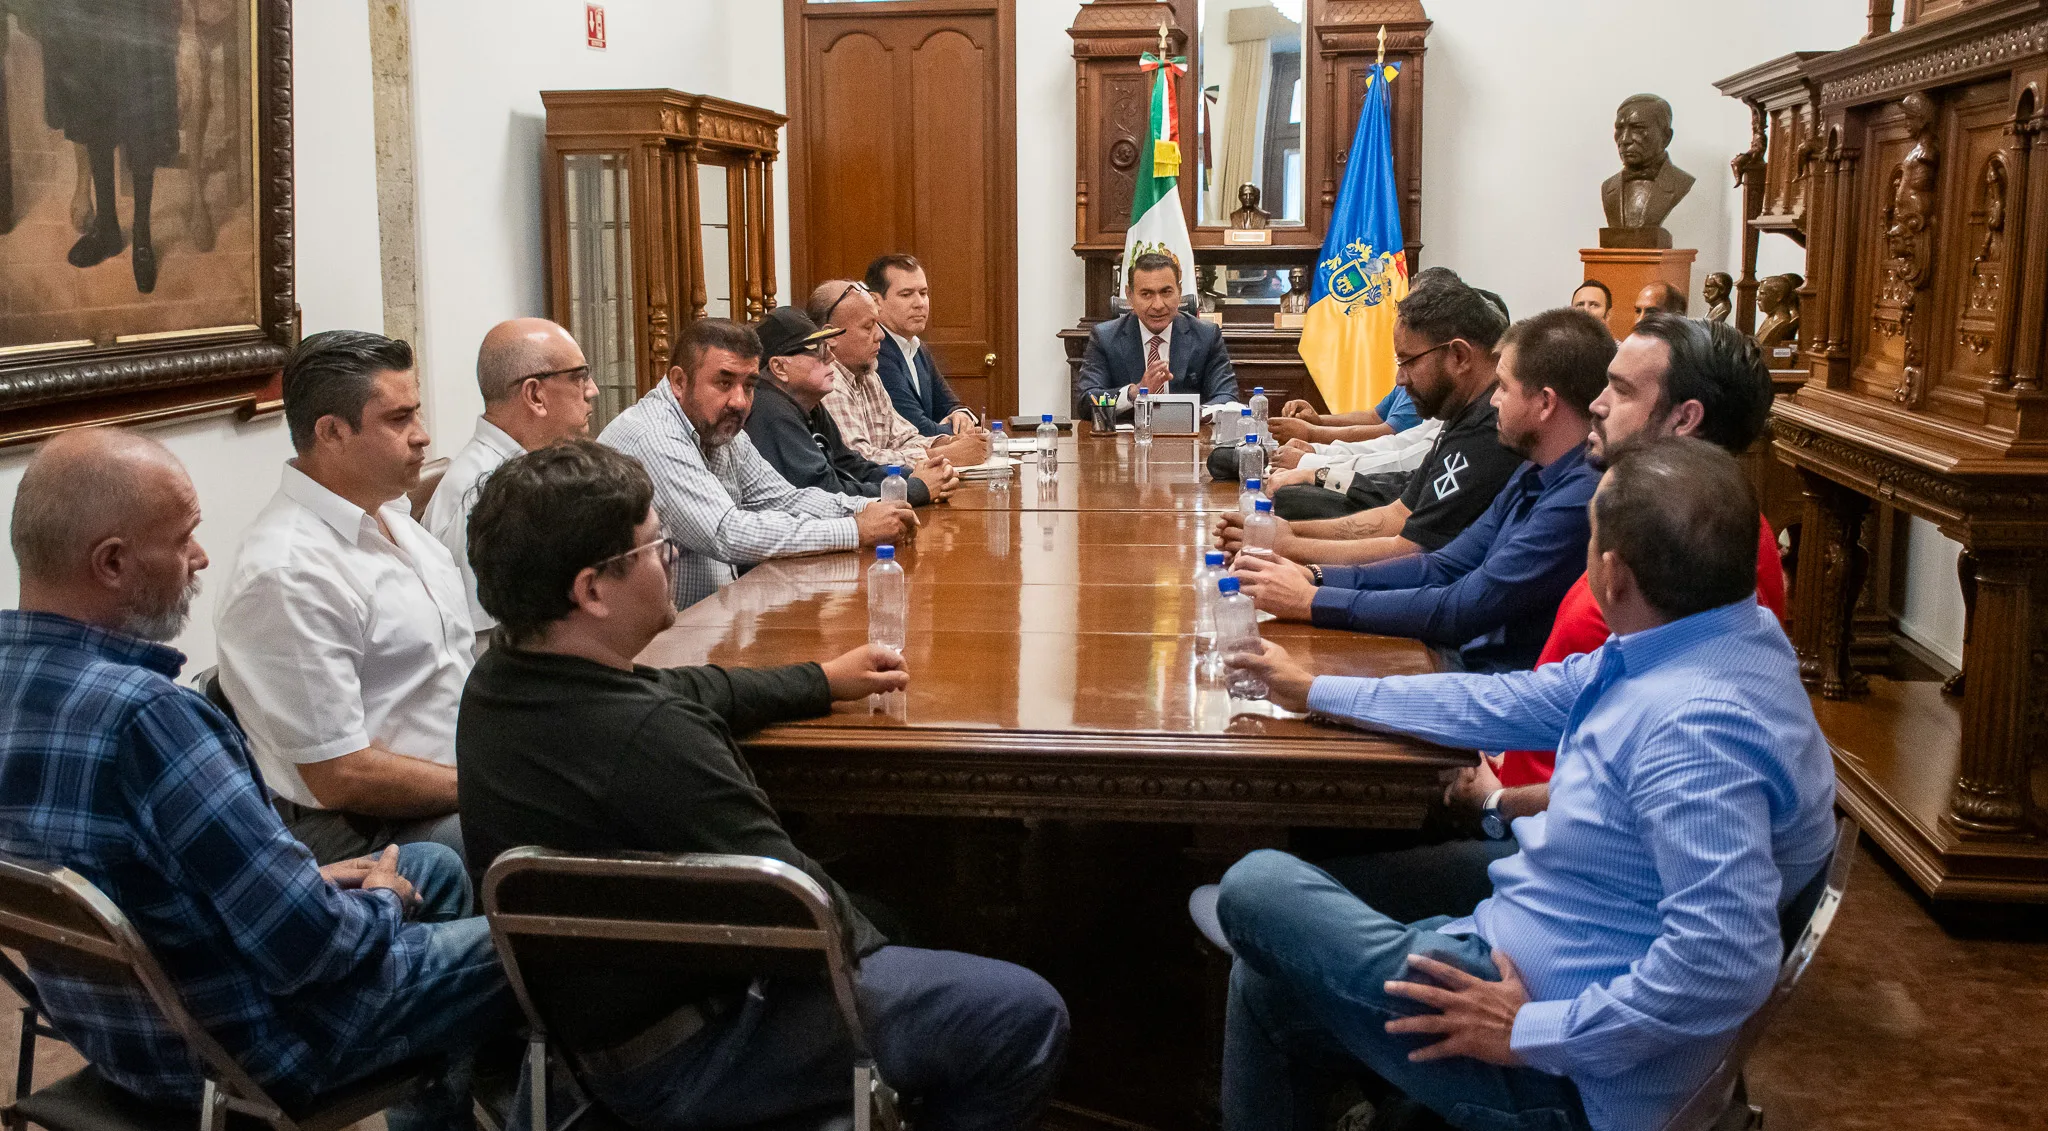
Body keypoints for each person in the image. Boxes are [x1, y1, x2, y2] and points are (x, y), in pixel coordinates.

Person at [1216, 437, 1837, 1131]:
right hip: (1534, 950)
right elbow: (1506, 701)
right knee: (1264, 983)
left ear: (1613, 573)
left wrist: (1535, 1029)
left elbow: (1726, 960)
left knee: (1253, 886)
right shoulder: (1718, 639)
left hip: (1561, 1074)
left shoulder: (1690, 730)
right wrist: (1319, 691)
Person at [457, 441, 1070, 1130]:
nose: (672, 558)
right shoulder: (650, 738)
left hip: (585, 1036)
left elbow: (681, 685)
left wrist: (820, 679)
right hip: (696, 1052)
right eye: (655, 545)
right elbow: (810, 916)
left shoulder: (501, 681)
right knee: (1022, 1011)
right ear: (592, 589)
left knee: (902, 909)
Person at [1, 428, 511, 1131]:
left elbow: (129, 881)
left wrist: (317, 884)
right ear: (112, 562)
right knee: (551, 936)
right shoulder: (150, 720)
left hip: (124, 1030)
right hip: (258, 1046)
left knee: (432, 867)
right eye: (183, 539)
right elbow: (310, 950)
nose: (201, 556)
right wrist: (383, 903)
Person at [1304, 313, 1791, 927]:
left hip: (1567, 866)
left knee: (1303, 853)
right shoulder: (1635, 510)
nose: (1596, 404)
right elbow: (1556, 693)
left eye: (1623, 390)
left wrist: (1497, 798)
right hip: (1523, 786)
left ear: (1684, 419)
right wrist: (1318, 671)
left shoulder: (1705, 550)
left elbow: (1656, 794)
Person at [1234, 308, 1611, 673]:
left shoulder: (1580, 497)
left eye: (1505, 388)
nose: (1494, 399)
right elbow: (1443, 565)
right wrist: (1316, 576)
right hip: (1461, 657)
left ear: (1545, 403)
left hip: (1489, 679)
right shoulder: (1534, 468)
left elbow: (1461, 609)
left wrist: (1314, 600)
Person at [217, 331, 472, 864]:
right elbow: (339, 774)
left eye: (416, 413)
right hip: (367, 829)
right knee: (578, 839)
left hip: (456, 779)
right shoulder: (288, 572)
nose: (423, 436)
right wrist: (489, 789)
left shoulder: (397, 521)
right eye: (399, 419)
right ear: (332, 432)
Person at [598, 318, 917, 609]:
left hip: (712, 622)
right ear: (679, 382)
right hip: (652, 646)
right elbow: (727, 533)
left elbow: (783, 498)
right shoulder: (655, 435)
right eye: (724, 383)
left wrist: (869, 508)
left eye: (748, 385)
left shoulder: (718, 427)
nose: (739, 401)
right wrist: (854, 529)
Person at [1213, 278, 1520, 561]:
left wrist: (1297, 557)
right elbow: (1396, 514)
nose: (1400, 378)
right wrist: (1284, 533)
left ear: (1459, 357)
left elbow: (1410, 550)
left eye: (1407, 361)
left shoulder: (1493, 428)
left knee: (1294, 502)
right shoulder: (1463, 414)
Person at [423, 317, 597, 646]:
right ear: (535, 395)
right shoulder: (484, 493)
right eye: (579, 377)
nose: (592, 390)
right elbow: (486, 644)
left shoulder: (526, 471)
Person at [743, 307, 960, 506]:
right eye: (817, 350)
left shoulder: (808, 404)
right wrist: (915, 489)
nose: (830, 356)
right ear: (779, 367)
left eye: (827, 346)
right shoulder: (771, 412)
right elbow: (826, 493)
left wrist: (912, 477)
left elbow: (852, 466)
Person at [809, 279, 988, 470]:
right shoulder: (829, 381)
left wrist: (948, 442)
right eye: (868, 327)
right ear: (831, 336)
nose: (880, 335)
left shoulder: (867, 374)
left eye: (878, 324)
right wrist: (945, 454)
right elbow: (858, 462)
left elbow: (902, 436)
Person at [1075, 251, 1238, 416]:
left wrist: (1189, 415)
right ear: (1130, 296)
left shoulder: (1206, 336)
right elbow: (1086, 400)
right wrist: (1134, 393)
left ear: (1179, 291)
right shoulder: (1105, 337)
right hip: (1128, 439)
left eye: (1166, 292)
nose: (1158, 305)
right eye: (1146, 294)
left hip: (1190, 438)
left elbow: (1227, 397)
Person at [868, 254, 982, 437]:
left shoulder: (917, 347)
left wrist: (960, 415)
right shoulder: (876, 351)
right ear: (876, 301)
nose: (920, 304)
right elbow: (917, 428)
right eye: (906, 295)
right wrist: (962, 431)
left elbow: (949, 404)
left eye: (923, 293)